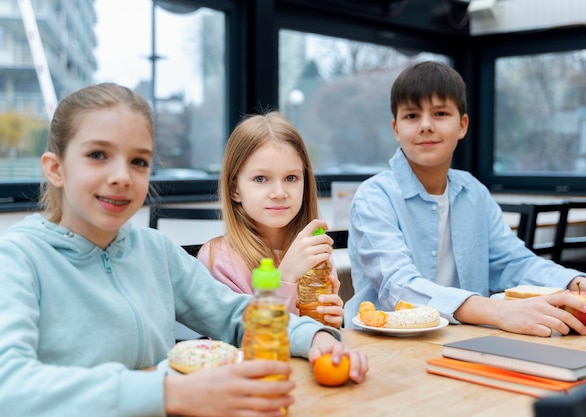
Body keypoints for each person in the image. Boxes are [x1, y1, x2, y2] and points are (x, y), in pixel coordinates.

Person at [0, 83, 368, 417]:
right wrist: (169, 393)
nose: (122, 176)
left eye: (139, 161)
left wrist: (314, 336)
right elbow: (9, 386)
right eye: (98, 155)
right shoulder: (17, 259)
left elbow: (237, 314)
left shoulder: (156, 251)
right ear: (55, 168)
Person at [344, 61, 586, 337]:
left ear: (462, 125)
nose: (425, 126)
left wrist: (577, 284)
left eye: (440, 113)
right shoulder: (374, 197)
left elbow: (513, 263)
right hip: (383, 351)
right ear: (396, 129)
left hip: (462, 341)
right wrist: (499, 312)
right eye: (412, 116)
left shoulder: (474, 192)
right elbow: (398, 286)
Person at [197, 111, 345, 328]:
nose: (279, 192)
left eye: (291, 178)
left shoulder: (313, 252)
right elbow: (241, 341)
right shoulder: (217, 260)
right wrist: (284, 278)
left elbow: (320, 337)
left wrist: (331, 323)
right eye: (261, 179)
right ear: (234, 188)